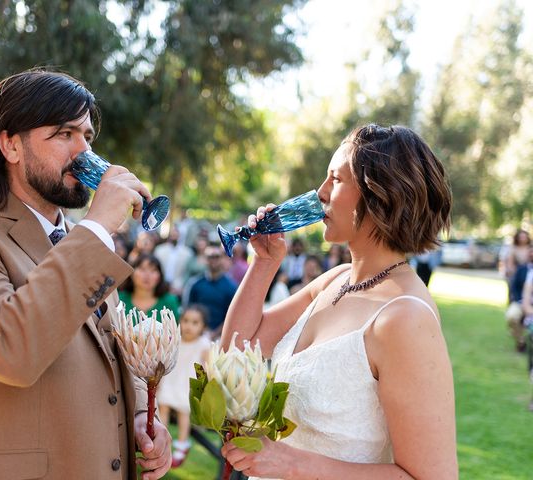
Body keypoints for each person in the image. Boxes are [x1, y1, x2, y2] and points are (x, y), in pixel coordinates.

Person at [0, 69, 171, 480]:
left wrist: (141, 412)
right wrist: (99, 225)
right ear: (11, 145)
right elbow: (9, 349)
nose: (83, 152)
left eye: (87, 136)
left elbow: (107, 349)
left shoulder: (83, 243)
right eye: (64, 134)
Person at [220, 124, 457, 479]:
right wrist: (265, 264)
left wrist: (292, 464)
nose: (320, 192)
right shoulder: (334, 280)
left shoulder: (404, 318)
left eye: (336, 179)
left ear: (381, 193)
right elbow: (237, 353)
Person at [157, 304, 211, 468]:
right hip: (171, 379)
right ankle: (161, 439)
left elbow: (206, 369)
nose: (189, 326)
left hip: (187, 383)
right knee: (162, 405)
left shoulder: (203, 344)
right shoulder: (175, 339)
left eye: (195, 323)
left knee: (183, 410)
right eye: (186, 320)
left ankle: (182, 444)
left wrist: (203, 390)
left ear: (203, 326)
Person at [182, 243, 238, 339]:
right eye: (209, 257)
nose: (213, 260)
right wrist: (203, 331)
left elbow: (233, 315)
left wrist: (215, 333)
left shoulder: (231, 287)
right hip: (196, 335)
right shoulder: (195, 284)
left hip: (221, 337)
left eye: (217, 256)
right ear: (205, 259)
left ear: (223, 258)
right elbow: (188, 309)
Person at [118, 253, 181, 320]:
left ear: (160, 276)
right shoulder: (119, 300)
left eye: (153, 270)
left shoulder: (170, 301)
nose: (147, 275)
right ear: (132, 273)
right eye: (142, 269)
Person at [153, 227, 193, 297]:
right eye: (172, 234)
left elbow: (188, 272)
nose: (174, 235)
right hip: (160, 284)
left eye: (176, 234)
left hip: (179, 287)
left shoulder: (188, 253)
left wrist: (182, 287)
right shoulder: (159, 250)